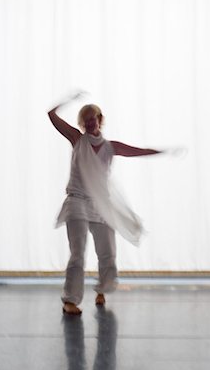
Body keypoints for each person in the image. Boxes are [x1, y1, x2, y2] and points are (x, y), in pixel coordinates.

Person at [48, 93, 163, 315]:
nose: (91, 122)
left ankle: (102, 290)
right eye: (87, 119)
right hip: (76, 202)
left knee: (108, 253)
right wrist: (70, 99)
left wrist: (162, 151)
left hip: (101, 204)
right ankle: (70, 300)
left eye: (95, 117)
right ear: (82, 123)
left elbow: (138, 151)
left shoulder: (111, 147)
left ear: (101, 119)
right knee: (77, 254)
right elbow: (52, 115)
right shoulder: (77, 140)